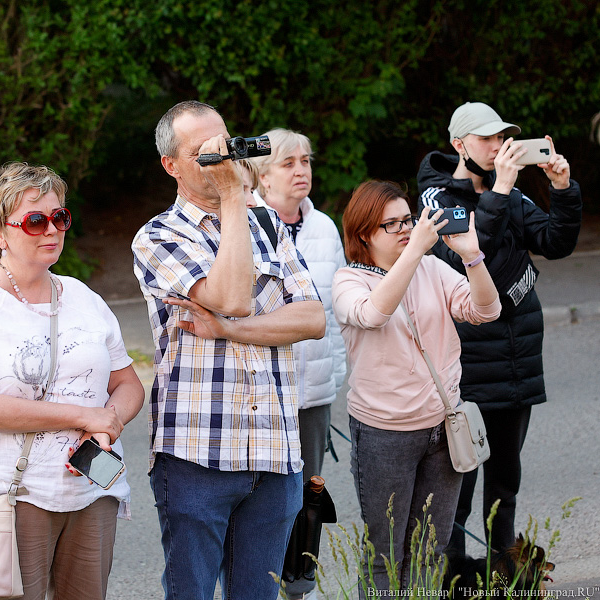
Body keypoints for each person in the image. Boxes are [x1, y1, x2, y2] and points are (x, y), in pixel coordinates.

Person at [132, 100, 326, 600]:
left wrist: (226, 330)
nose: (221, 158)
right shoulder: (158, 235)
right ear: (171, 165)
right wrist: (235, 195)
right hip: (198, 452)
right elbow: (233, 296)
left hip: (274, 450)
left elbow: (312, 319)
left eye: (225, 144)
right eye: (204, 151)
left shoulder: (269, 224)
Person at [0, 162, 145, 600]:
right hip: (6, 495)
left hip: (89, 490)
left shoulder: (83, 297)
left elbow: (128, 385)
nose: (52, 230)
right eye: (35, 221)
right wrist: (84, 416)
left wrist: (107, 425)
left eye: (59, 217)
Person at [416, 102, 582, 558]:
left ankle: (503, 574)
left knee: (505, 486)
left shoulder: (509, 193)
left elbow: (555, 242)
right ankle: (453, 580)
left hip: (517, 362)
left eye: (501, 137)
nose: (497, 146)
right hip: (467, 367)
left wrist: (562, 189)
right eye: (486, 138)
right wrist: (502, 190)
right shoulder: (436, 198)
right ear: (459, 144)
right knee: (458, 489)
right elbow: (466, 256)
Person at [332, 180, 501, 593]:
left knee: (430, 550)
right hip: (383, 434)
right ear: (363, 234)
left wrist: (472, 256)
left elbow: (487, 310)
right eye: (391, 224)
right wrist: (414, 252)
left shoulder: (432, 268)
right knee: (385, 553)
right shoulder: (348, 280)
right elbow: (374, 314)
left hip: (443, 427)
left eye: (408, 219)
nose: (406, 229)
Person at [251, 128, 347, 600]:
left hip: (313, 393)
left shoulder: (324, 227)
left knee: (309, 496)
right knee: (263, 500)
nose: (301, 170)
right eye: (288, 163)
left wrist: (335, 378)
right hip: (261, 391)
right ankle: (254, 585)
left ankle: (298, 587)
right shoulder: (243, 224)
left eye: (305, 161)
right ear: (262, 175)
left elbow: (335, 313)